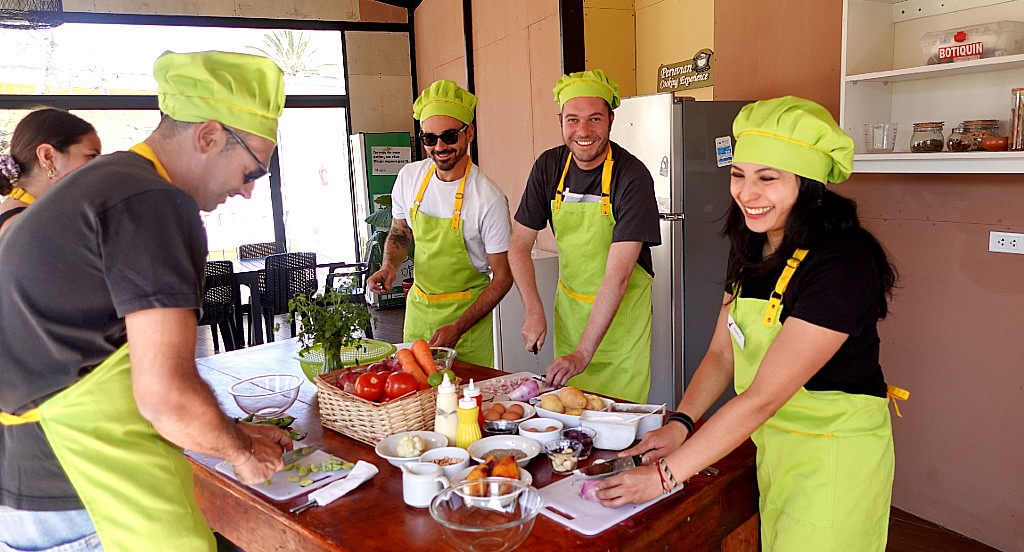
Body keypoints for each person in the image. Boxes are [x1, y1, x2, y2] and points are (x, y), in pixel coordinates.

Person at [0, 51, 292, 551]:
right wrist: (243, 452)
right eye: (252, 172)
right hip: (84, 492)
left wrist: (225, 430)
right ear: (210, 136)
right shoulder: (154, 202)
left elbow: (95, 359)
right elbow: (165, 395)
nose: (246, 192)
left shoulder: (107, 183)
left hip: (30, 488)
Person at [596, 96, 906, 551]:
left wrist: (666, 476)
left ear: (809, 183)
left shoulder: (842, 264)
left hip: (833, 457)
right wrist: (681, 422)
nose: (746, 193)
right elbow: (723, 353)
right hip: (772, 444)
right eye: (738, 175)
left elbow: (762, 396)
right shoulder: (753, 245)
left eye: (768, 178)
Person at [508, 69, 660, 403]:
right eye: (573, 119)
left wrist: (584, 353)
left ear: (611, 119)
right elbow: (519, 244)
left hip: (622, 331)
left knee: (617, 424)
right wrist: (533, 309)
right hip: (572, 319)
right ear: (561, 120)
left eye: (594, 119)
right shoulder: (549, 167)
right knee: (571, 421)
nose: (583, 131)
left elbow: (617, 278)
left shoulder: (632, 177)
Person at [367, 80, 512, 368]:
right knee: (413, 397)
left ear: (468, 132)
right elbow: (399, 232)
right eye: (430, 139)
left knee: (463, 407)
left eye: (449, 136)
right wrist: (388, 266)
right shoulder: (410, 178)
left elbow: (503, 277)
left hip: (466, 325)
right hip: (419, 314)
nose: (440, 147)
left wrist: (458, 327)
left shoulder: (488, 198)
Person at [0, 108, 101, 235]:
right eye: (91, 156)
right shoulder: (32, 226)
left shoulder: (24, 214)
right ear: (48, 156)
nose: (98, 165)